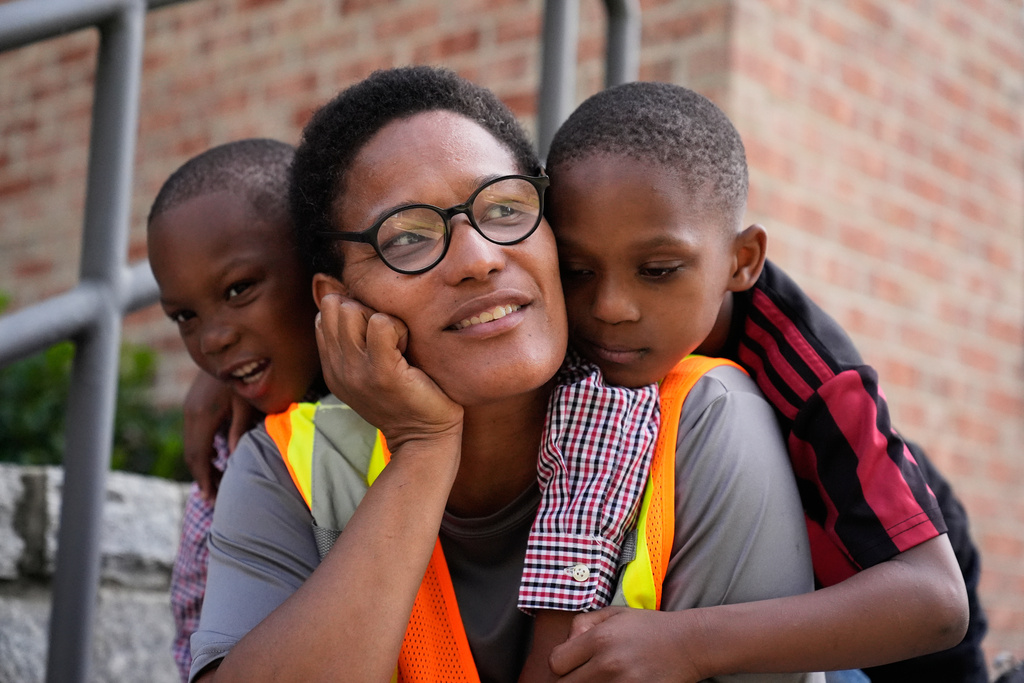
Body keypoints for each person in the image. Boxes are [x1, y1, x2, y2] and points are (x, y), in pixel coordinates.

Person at [187, 65, 820, 683]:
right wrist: (423, 448)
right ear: (336, 301)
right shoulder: (291, 464)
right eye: (406, 237)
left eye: (505, 207)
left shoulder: (699, 422)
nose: (479, 259)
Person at [524, 80, 975, 680]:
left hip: (876, 638)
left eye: (658, 270)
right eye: (578, 269)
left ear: (742, 261)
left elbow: (936, 601)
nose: (610, 306)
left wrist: (687, 645)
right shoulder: (555, 335)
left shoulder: (810, 370)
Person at [145, 138, 323, 682]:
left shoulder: (427, 381)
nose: (213, 339)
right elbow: (198, 643)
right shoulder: (232, 458)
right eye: (185, 317)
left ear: (319, 257)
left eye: (239, 289)